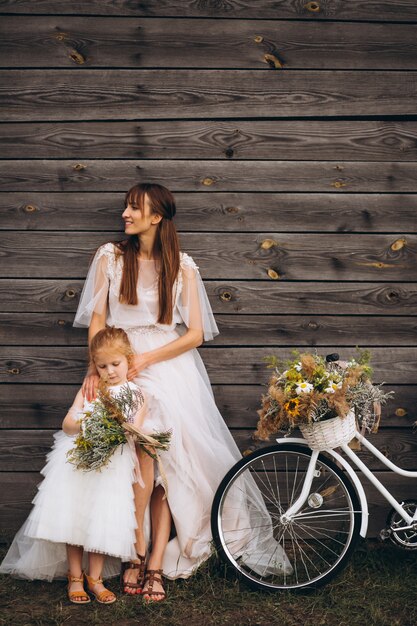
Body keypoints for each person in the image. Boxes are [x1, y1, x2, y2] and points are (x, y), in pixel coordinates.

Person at [73, 182, 291, 602]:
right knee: (133, 464)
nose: (125, 214)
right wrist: (96, 370)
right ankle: (130, 552)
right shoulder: (110, 257)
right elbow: (98, 319)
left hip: (168, 368)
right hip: (118, 365)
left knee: (165, 468)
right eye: (125, 207)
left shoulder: (183, 266)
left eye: (134, 208)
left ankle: (153, 561)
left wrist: (148, 360)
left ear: (156, 216)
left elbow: (193, 334)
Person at [0, 326, 154, 605]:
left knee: (100, 519)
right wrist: (86, 422)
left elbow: (134, 429)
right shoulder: (91, 388)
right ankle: (75, 576)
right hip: (79, 461)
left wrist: (123, 428)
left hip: (111, 466)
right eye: (102, 365)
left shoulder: (137, 394)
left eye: (115, 364)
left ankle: (95, 578)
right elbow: (67, 424)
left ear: (128, 359)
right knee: (76, 517)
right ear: (94, 365)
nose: (109, 371)